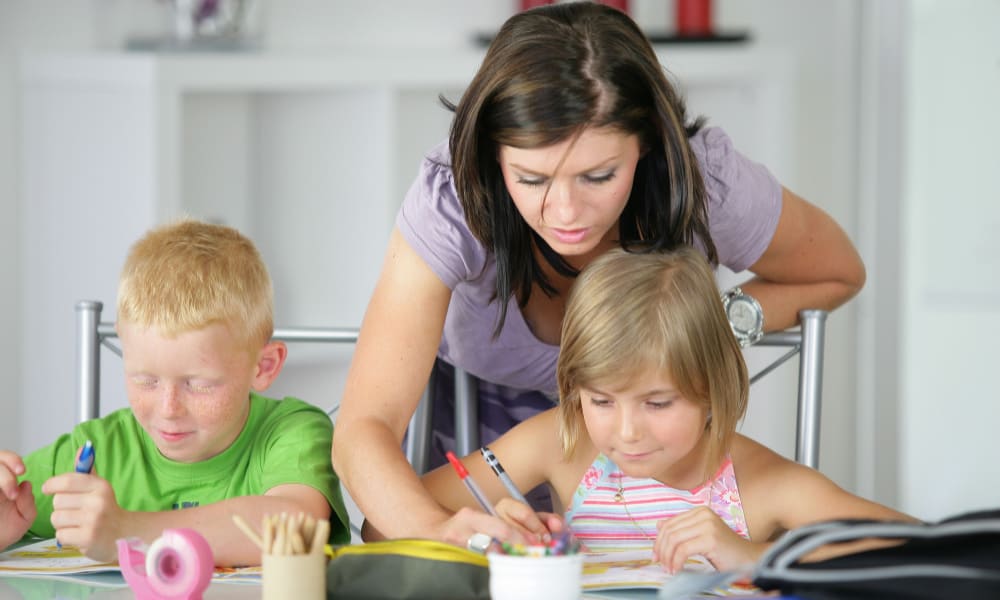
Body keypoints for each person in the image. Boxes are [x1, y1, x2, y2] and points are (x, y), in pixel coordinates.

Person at [335, 1, 866, 544]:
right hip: (481, 455)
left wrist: (704, 326)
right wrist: (439, 531)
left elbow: (837, 273)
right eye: (532, 179)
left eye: (598, 175)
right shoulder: (452, 202)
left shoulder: (706, 182)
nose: (564, 213)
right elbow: (363, 430)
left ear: (649, 144)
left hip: (659, 483)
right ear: (494, 157)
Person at [417, 247, 916, 571]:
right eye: (601, 400)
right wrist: (492, 537)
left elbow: (923, 549)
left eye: (657, 402)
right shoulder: (563, 441)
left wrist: (752, 557)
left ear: (712, 387)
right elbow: (388, 522)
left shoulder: (759, 484)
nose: (627, 431)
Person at [0, 219, 350, 566]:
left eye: (198, 384)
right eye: (145, 380)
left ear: (264, 367)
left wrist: (127, 530)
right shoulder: (102, 448)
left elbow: (294, 528)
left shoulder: (292, 431)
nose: (168, 409)